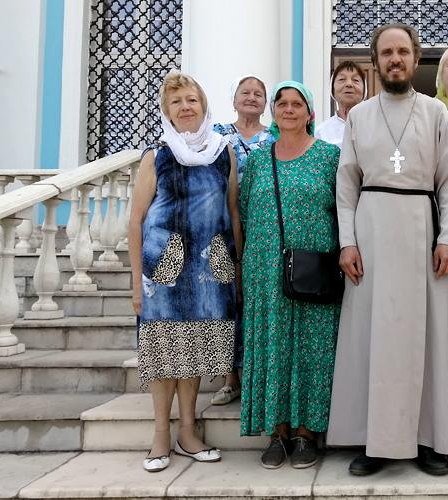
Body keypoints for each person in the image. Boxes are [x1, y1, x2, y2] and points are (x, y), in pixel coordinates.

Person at [327, 23, 448, 477]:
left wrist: (446, 238)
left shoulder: (435, 113)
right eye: (386, 52)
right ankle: (375, 439)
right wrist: (347, 241)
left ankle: (429, 438)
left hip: (422, 234)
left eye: (402, 51)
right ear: (376, 61)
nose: (395, 59)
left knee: (426, 338)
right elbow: (346, 184)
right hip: (370, 235)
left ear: (414, 57)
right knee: (373, 337)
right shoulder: (360, 117)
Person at [129, 71, 241, 472]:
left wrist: (238, 269)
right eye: (177, 102)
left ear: (204, 105)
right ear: (167, 112)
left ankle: (188, 431)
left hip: (210, 270)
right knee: (164, 355)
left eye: (192, 100)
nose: (186, 107)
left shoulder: (222, 152)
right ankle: (161, 434)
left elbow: (232, 212)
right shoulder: (156, 155)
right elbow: (137, 219)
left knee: (193, 353)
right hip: (164, 271)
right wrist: (136, 283)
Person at [239, 81, 342, 470]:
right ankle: (277, 432)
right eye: (281, 103)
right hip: (265, 269)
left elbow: (344, 208)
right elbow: (245, 211)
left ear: (310, 112)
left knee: (312, 348)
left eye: (297, 103)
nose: (288, 109)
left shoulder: (329, 157)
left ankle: (307, 433)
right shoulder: (260, 160)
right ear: (273, 112)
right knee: (273, 348)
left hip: (315, 266)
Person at [210, 74, 273, 407]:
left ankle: (255, 375)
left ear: (266, 103)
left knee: (256, 301)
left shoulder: (274, 137)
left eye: (258, 93)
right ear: (234, 99)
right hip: (222, 225)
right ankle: (229, 378)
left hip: (263, 226)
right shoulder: (218, 135)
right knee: (227, 299)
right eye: (245, 92)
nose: (251, 97)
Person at [315, 61, 366, 147]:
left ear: (364, 89)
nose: (349, 84)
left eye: (355, 80)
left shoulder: (377, 127)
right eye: (342, 79)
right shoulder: (321, 132)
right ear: (332, 89)